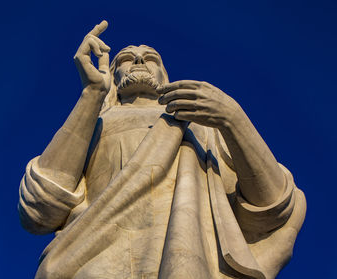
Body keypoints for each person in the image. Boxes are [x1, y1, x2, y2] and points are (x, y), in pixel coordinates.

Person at [18, 20, 306, 279]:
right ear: (114, 74)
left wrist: (233, 118)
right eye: (127, 58)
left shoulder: (203, 126)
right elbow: (40, 211)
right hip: (91, 264)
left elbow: (271, 210)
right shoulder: (95, 123)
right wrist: (92, 94)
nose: (140, 60)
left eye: (151, 57)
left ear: (163, 73)